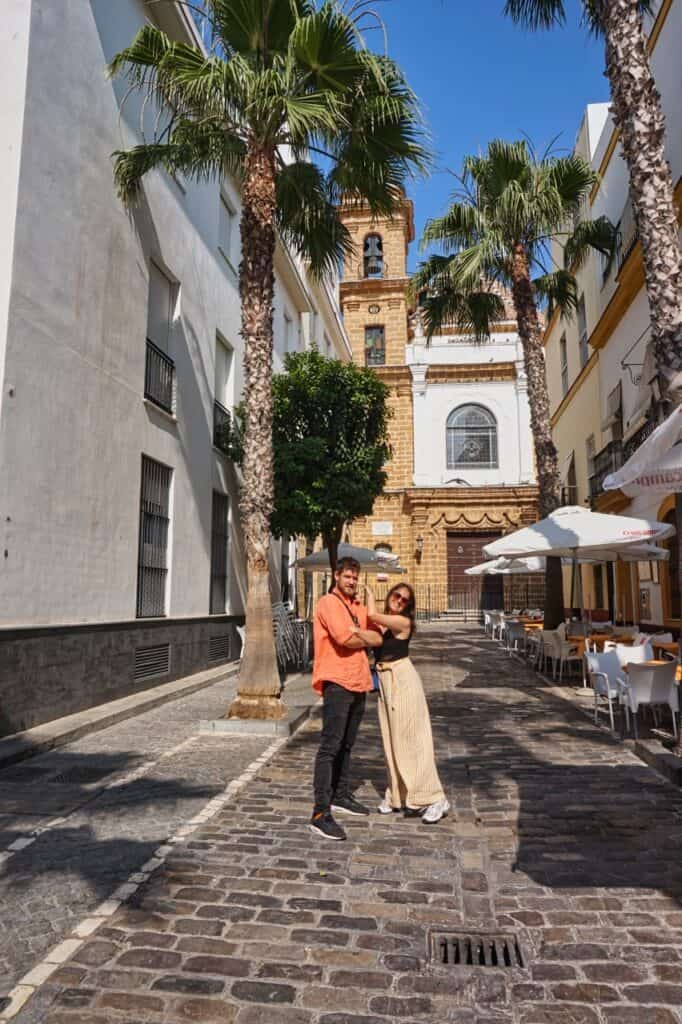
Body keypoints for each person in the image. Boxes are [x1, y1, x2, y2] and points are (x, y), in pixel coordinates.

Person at [310, 556, 383, 841]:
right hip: (337, 682)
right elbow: (344, 639)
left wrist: (371, 602)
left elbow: (378, 636)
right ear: (336, 576)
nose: (352, 581)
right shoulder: (329, 603)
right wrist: (359, 635)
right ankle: (319, 813)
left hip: (359, 681)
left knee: (347, 746)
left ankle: (340, 796)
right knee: (330, 746)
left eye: (355, 577)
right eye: (348, 577)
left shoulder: (357, 607)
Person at [365, 582, 450, 824]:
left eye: (404, 600)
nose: (399, 600)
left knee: (414, 740)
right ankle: (397, 796)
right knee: (391, 740)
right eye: (397, 595)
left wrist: (369, 593)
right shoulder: (384, 627)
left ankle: (435, 797)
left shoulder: (403, 623)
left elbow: (371, 614)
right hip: (385, 682)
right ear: (390, 595)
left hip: (403, 680)